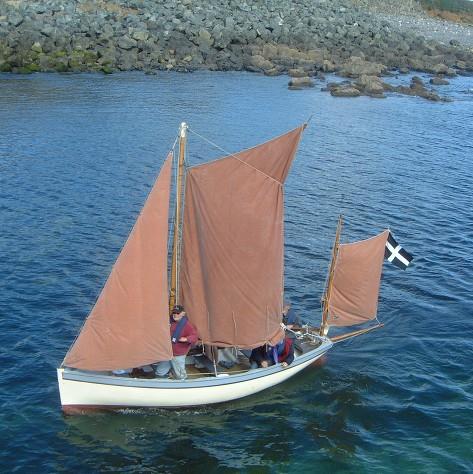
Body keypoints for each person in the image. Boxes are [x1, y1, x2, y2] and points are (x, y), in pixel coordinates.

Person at [164, 304, 198, 380]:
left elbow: (194, 337)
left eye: (178, 313)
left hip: (178, 354)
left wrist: (186, 339)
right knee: (160, 372)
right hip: (167, 352)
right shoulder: (170, 321)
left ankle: (183, 384)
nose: (175, 315)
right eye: (174, 313)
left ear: (183, 314)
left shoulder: (187, 325)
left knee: (180, 375)